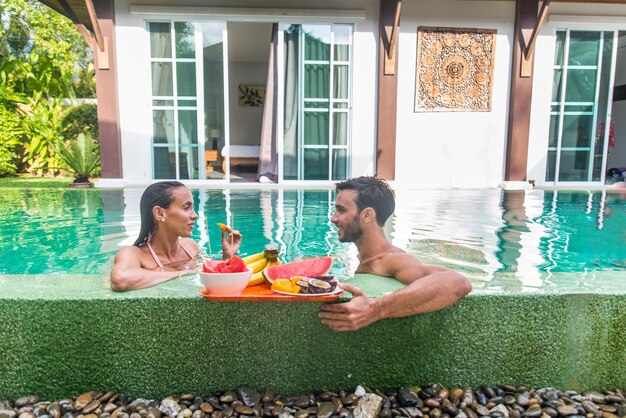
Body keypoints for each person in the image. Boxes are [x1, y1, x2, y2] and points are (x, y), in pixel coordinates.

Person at [319, 176, 472, 331]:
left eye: (341, 210)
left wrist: (375, 309)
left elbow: (458, 282)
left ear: (367, 215)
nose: (333, 218)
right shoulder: (364, 257)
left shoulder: (392, 260)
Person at [110, 181, 241, 291]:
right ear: (160, 213)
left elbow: (212, 276)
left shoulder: (191, 247)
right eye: (186, 208)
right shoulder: (134, 254)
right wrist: (184, 272)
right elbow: (121, 280)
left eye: (193, 208)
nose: (195, 215)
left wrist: (227, 257)